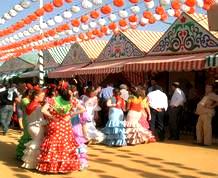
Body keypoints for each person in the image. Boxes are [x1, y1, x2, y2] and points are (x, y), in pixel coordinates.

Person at [37, 82, 80, 173]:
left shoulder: (53, 100)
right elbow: (83, 109)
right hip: (65, 125)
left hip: (54, 124)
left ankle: (52, 167)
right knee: (65, 144)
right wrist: (71, 114)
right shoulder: (72, 101)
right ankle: (64, 167)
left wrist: (52, 117)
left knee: (53, 143)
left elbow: (43, 110)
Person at [21, 89, 46, 169]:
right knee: (37, 145)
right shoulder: (38, 106)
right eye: (41, 96)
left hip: (30, 126)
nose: (43, 97)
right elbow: (41, 120)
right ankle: (34, 164)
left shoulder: (30, 104)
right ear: (36, 96)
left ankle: (29, 164)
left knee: (34, 143)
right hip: (37, 127)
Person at [16, 86, 33, 160]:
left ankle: (26, 154)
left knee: (30, 135)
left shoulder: (27, 99)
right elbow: (29, 107)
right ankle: (21, 153)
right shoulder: (25, 100)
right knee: (26, 135)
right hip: (27, 119)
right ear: (29, 93)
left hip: (30, 118)